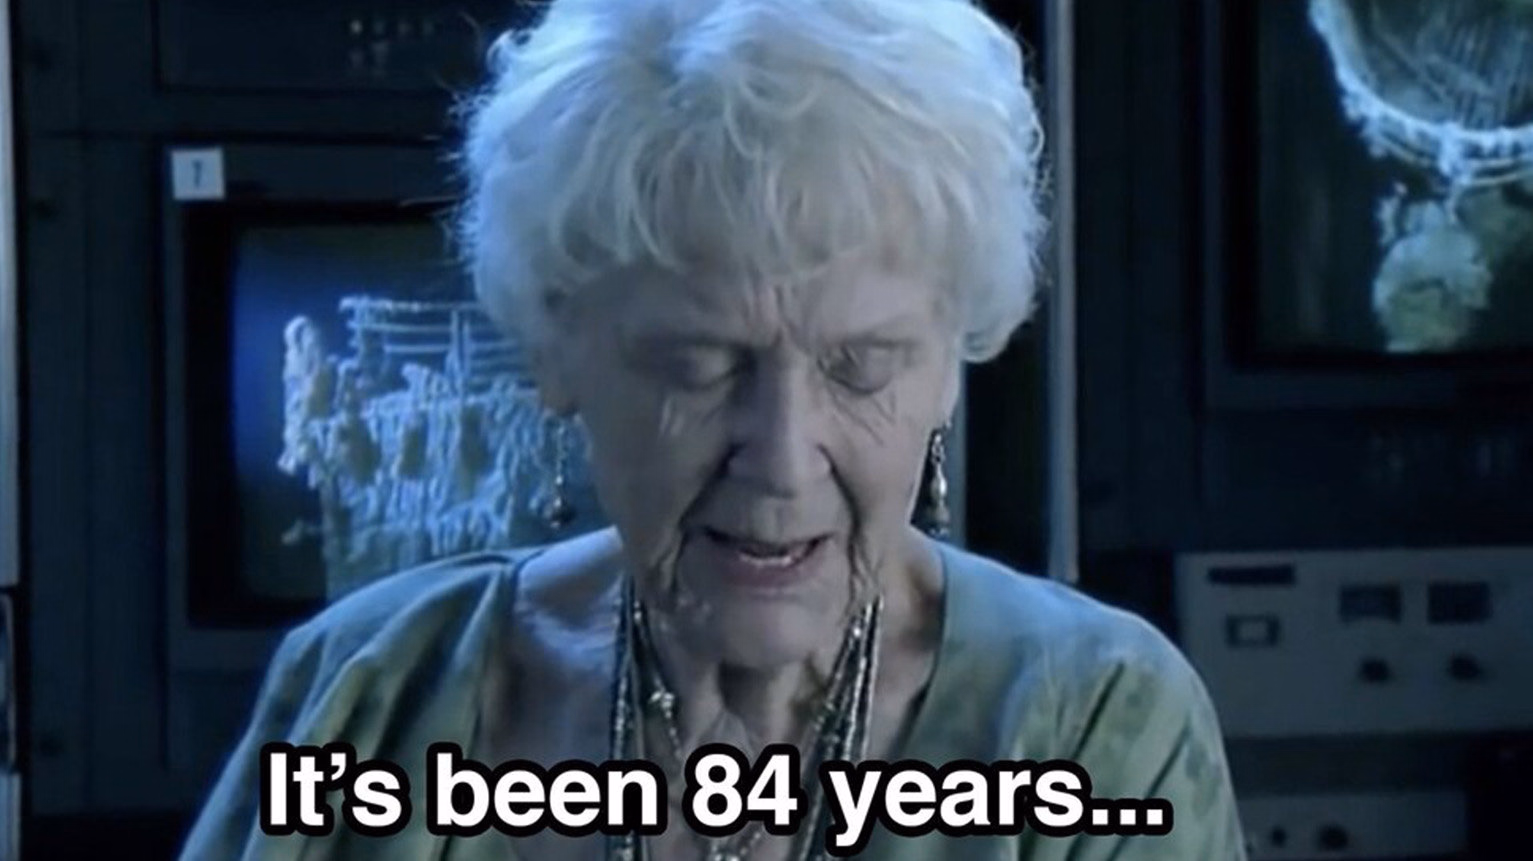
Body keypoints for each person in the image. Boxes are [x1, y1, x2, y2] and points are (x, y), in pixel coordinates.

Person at [181, 0, 1248, 858]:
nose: (781, 459)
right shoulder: (369, 694)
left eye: (861, 365)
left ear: (947, 370)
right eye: (699, 364)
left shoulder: (1091, 721)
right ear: (557, 350)